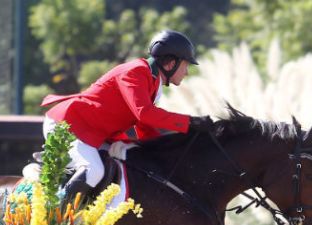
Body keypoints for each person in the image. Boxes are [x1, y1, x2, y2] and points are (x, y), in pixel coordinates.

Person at [40, 30, 216, 201]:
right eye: (186, 65)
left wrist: (161, 153)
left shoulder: (154, 82)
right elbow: (144, 114)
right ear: (171, 63)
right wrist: (190, 122)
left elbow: (144, 127)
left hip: (92, 133)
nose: (186, 72)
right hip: (68, 125)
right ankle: (55, 219)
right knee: (94, 170)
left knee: (129, 163)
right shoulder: (135, 72)